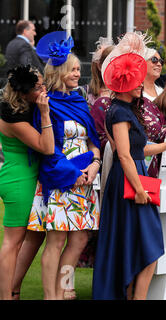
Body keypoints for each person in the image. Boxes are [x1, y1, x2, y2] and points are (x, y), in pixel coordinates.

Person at [92, 32, 166, 300]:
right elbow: (124, 155)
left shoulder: (125, 109)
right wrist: (138, 189)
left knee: (141, 247)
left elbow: (139, 148)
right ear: (125, 85)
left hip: (134, 178)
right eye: (136, 81)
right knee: (148, 246)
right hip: (129, 183)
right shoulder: (118, 112)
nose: (141, 85)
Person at [26, 31, 101, 300]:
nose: (77, 73)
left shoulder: (80, 101)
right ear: (59, 71)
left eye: (79, 69)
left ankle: (63, 288)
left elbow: (93, 139)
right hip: (61, 177)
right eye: (73, 69)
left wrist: (94, 163)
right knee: (56, 241)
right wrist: (73, 174)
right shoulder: (46, 104)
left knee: (80, 239)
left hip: (86, 178)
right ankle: (51, 296)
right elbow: (48, 148)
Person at [0, 65, 54, 300]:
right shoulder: (13, 118)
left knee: (35, 235)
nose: (44, 89)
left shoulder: (21, 105)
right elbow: (47, 147)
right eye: (38, 86)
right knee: (12, 242)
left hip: (26, 176)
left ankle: (14, 289)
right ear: (23, 93)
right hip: (18, 180)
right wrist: (44, 114)